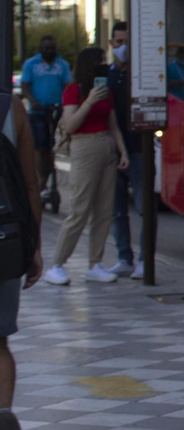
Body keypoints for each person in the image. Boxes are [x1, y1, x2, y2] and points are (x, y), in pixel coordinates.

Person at [41, 48, 130, 286]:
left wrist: (123, 151)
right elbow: (70, 125)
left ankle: (95, 263)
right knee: (80, 209)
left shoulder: (106, 92)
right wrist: (89, 101)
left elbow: (113, 125)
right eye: (100, 61)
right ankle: (57, 264)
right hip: (84, 147)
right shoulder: (74, 90)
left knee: (103, 211)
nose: (104, 64)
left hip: (106, 146)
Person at [0, 88, 44, 430]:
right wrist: (34, 248)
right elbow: (31, 184)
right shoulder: (10, 107)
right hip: (6, 243)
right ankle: (2, 413)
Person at [107, 22, 142, 279]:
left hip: (138, 148)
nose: (123, 48)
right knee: (117, 209)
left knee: (143, 207)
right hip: (111, 152)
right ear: (111, 44)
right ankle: (124, 258)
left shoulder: (141, 76)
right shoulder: (104, 77)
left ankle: (144, 260)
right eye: (119, 42)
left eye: (127, 43)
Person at [19, 34, 71, 199]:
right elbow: (25, 86)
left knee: (50, 148)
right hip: (37, 112)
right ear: (41, 49)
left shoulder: (62, 65)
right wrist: (33, 101)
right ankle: (39, 182)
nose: (50, 51)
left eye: (52, 48)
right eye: (46, 48)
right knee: (39, 147)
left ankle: (46, 180)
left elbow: (67, 85)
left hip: (54, 111)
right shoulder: (31, 64)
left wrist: (64, 102)